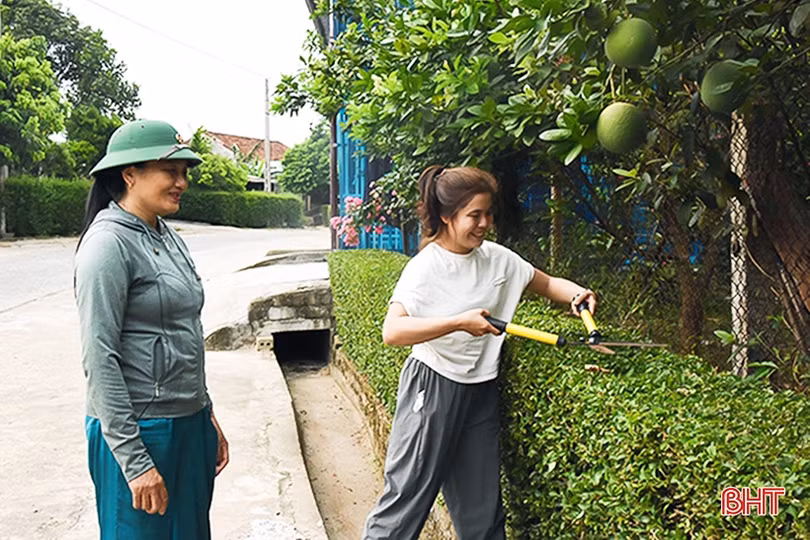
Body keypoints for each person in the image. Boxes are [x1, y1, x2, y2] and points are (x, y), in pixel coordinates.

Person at [363, 165, 597, 540]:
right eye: (474, 215)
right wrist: (458, 322)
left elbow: (548, 283)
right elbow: (393, 331)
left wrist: (577, 295)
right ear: (446, 216)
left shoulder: (499, 259)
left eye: (489, 213)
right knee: (405, 503)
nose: (485, 223)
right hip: (433, 386)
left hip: (480, 390)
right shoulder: (425, 268)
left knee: (483, 512)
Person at [74, 119, 229, 539]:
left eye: (184, 173)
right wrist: (135, 462)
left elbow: (185, 333)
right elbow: (99, 357)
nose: (181, 182)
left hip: (188, 423)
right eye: (170, 171)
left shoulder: (166, 235)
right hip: (142, 431)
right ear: (130, 175)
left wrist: (206, 413)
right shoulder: (107, 246)